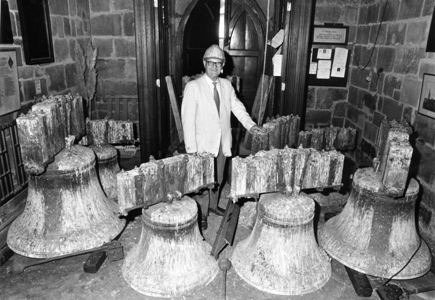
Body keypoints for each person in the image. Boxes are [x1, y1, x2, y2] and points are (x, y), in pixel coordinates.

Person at [181, 44, 266, 230]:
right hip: (202, 144)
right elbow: (187, 121)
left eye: (217, 63)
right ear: (204, 64)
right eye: (210, 63)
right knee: (202, 181)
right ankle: (202, 212)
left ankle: (212, 205)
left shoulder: (227, 86)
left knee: (217, 177)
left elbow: (238, 108)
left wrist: (251, 126)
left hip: (221, 141)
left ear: (223, 65)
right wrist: (191, 149)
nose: (214, 67)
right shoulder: (193, 87)